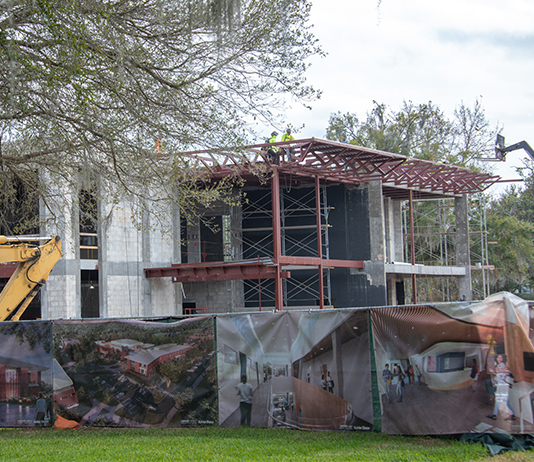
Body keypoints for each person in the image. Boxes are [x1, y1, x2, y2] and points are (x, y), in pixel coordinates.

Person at [487, 355, 515, 421]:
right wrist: (493, 371)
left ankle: (510, 415)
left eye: (501, 357)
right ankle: (496, 415)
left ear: (503, 359)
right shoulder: (500, 365)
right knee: (502, 400)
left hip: (502, 386)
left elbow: (507, 372)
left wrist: (497, 370)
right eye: (498, 357)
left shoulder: (502, 365)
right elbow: (500, 375)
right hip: (502, 385)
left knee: (503, 400)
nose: (499, 359)